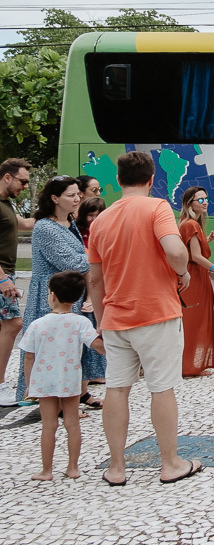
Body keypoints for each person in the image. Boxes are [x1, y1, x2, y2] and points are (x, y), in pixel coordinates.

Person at [87, 150, 204, 485]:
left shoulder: (101, 221)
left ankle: (117, 468)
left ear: (119, 180)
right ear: (152, 179)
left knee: (116, 389)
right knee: (161, 387)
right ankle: (170, 463)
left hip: (115, 316)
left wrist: (101, 317)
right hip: (156, 313)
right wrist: (182, 273)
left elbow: (95, 279)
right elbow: (175, 249)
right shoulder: (157, 207)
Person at [20, 270, 106, 481]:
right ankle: (72, 467)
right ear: (77, 297)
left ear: (52, 295)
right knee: (72, 424)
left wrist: (29, 384)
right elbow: (98, 347)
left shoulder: (37, 324)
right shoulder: (81, 323)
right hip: (70, 380)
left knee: (49, 426)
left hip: (43, 381)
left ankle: (46, 470)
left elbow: (28, 357)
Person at [17, 176, 90, 406]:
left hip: (69, 293)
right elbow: (72, 262)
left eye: (78, 193)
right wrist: (94, 256)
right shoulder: (45, 227)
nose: (77, 198)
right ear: (55, 198)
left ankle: (71, 395)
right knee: (49, 348)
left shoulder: (69, 222)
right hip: (49, 296)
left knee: (67, 348)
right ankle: (44, 396)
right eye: (71, 195)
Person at [178, 186, 214, 378]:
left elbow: (192, 250)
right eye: (200, 200)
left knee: (193, 321)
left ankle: (189, 365)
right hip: (195, 279)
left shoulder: (187, 223)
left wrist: (206, 239)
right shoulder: (191, 224)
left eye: (206, 199)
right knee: (194, 322)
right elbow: (197, 257)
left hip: (194, 277)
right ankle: (190, 367)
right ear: (189, 203)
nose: (205, 202)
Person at [0, 158, 35, 407]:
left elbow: (22, 224)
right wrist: (2, 278)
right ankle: (0, 385)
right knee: (13, 324)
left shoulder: (6, 204)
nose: (24, 186)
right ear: (7, 177)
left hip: (5, 274)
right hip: (1, 275)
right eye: (22, 181)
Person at [75, 195, 108, 395]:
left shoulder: (103, 231)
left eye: (97, 215)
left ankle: (93, 375)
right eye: (90, 215)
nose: (94, 219)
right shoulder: (79, 233)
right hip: (84, 284)